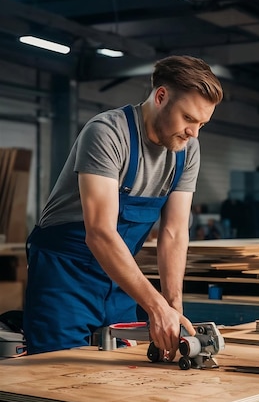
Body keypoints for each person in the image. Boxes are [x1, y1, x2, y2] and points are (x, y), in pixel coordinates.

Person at [23, 55, 223, 358]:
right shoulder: (107, 133)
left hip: (119, 276)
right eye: (188, 119)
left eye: (202, 124)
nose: (194, 132)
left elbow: (174, 232)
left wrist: (172, 305)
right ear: (161, 96)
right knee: (56, 375)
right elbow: (101, 233)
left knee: (121, 373)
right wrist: (154, 306)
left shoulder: (187, 150)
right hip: (64, 275)